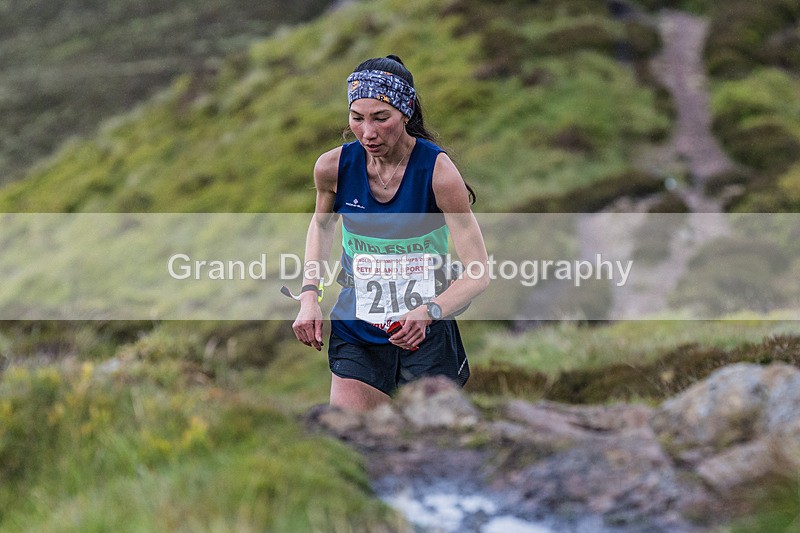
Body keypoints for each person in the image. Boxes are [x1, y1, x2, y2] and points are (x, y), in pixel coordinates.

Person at [292, 55, 489, 411]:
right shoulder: (332, 167)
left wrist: (429, 310)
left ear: (406, 112)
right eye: (357, 118)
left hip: (425, 333)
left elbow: (478, 272)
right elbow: (321, 225)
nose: (368, 132)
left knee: (432, 449)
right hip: (357, 330)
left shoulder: (438, 173)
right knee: (353, 440)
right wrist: (309, 296)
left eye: (381, 118)